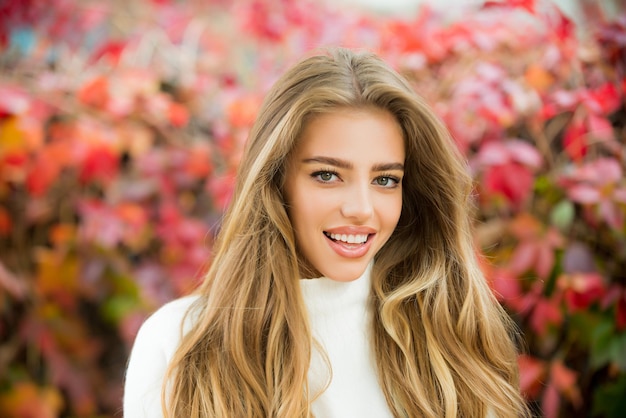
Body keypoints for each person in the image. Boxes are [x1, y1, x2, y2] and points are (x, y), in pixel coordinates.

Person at [124, 47, 531, 418]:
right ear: (276, 179)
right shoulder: (178, 344)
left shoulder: (450, 333)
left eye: (386, 180)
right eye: (327, 175)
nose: (361, 209)